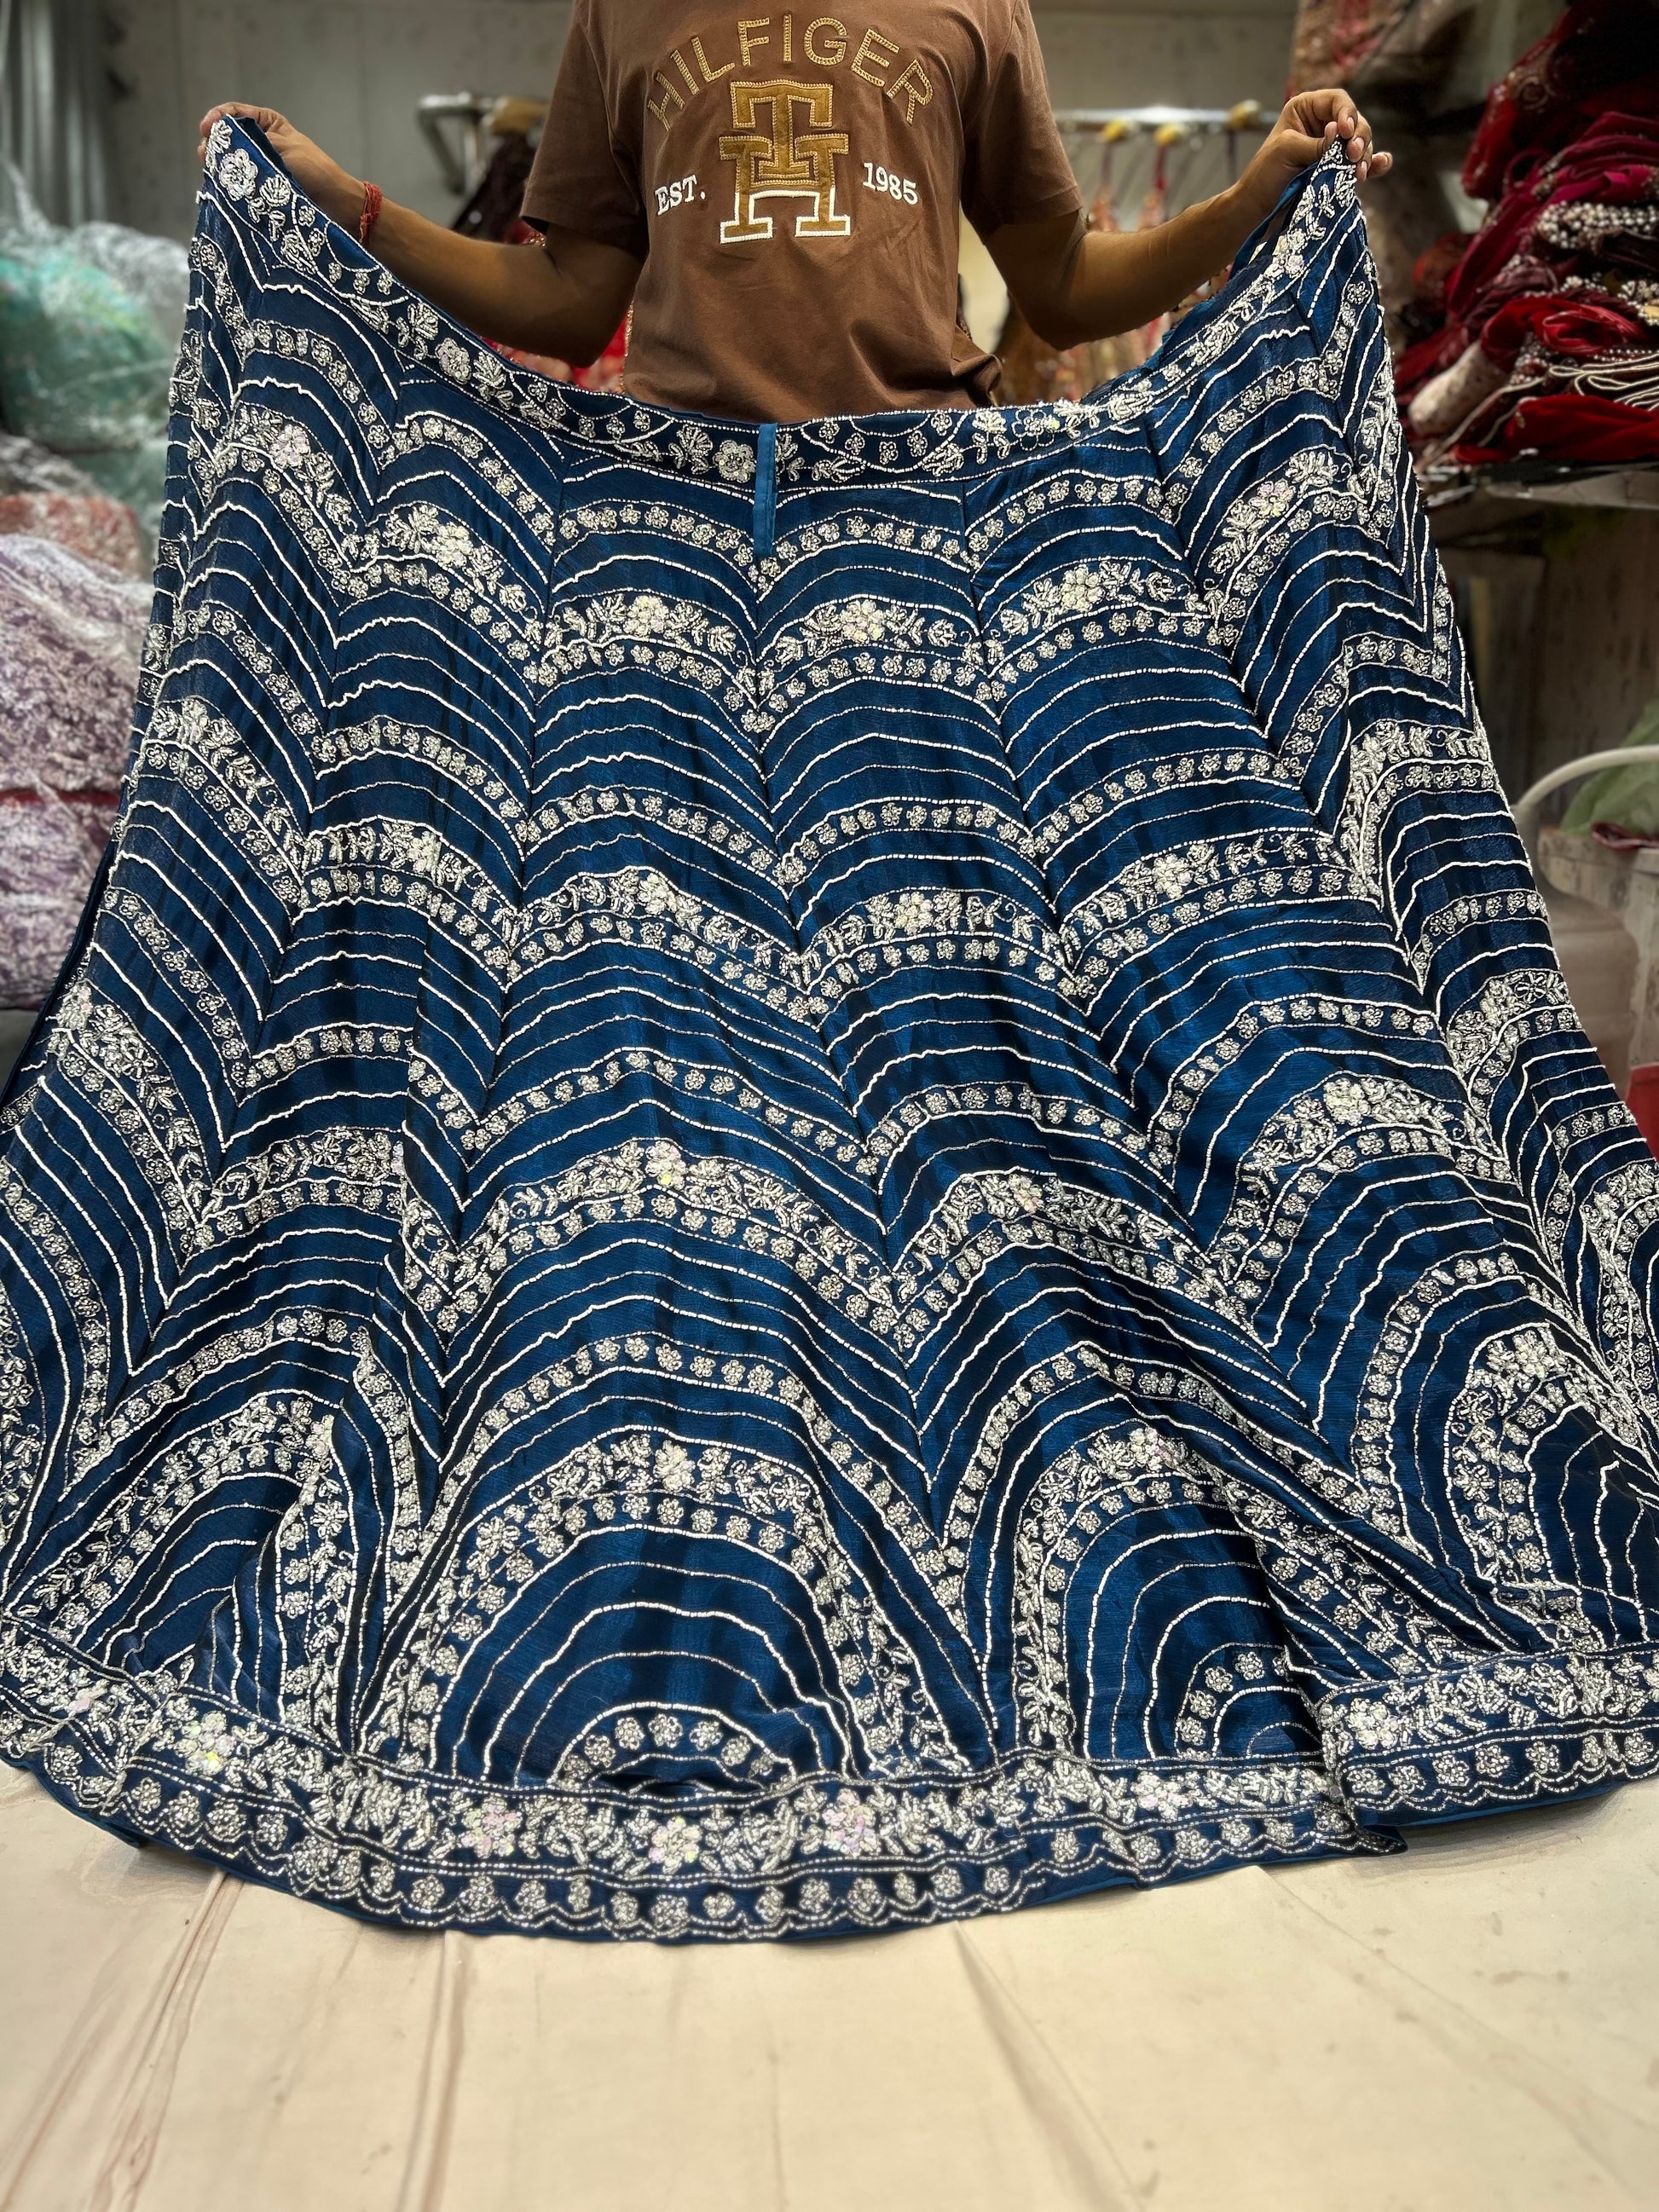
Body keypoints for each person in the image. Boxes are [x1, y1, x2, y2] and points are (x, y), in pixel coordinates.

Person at [197, 2, 1390, 424]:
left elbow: (1066, 290)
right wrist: (349, 205)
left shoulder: (973, 6)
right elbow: (567, 305)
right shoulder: (623, 10)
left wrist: (1254, 195)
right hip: (679, 504)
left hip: (916, 501)